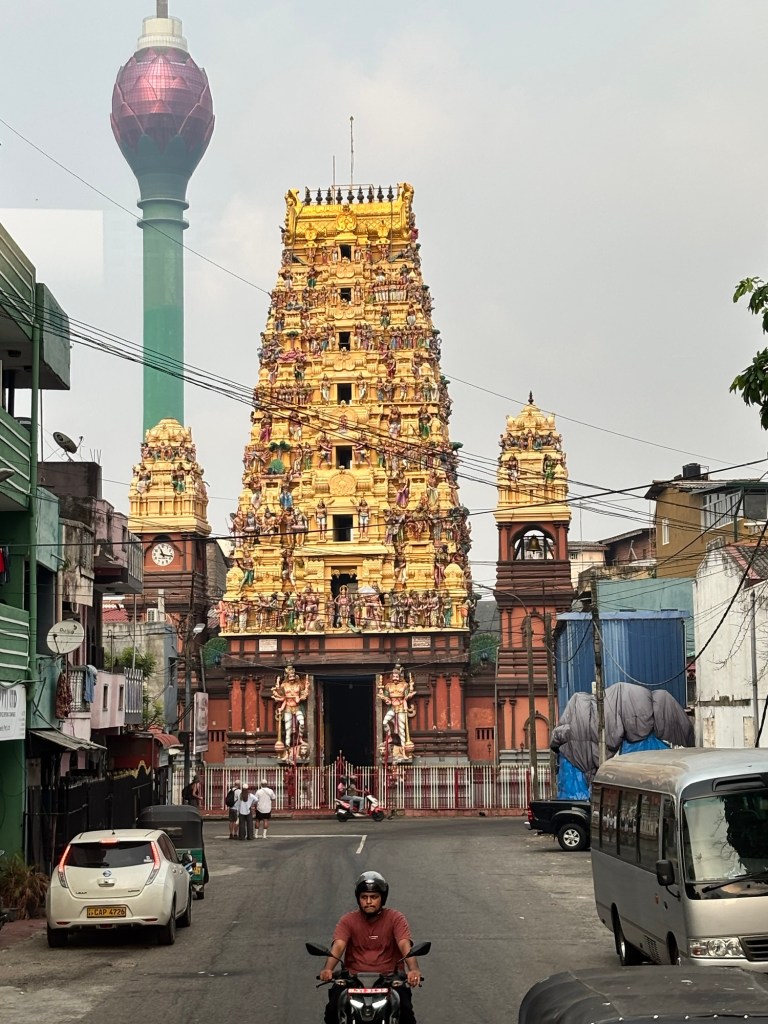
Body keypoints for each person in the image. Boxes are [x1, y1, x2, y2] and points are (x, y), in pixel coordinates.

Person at [319, 871, 422, 1024]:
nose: (368, 901)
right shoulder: (348, 920)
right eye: (364, 897)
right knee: (332, 1011)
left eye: (373, 897)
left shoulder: (395, 919)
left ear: (382, 898)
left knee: (406, 1013)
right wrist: (328, 969)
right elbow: (339, 945)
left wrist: (413, 969)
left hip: (390, 980)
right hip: (352, 980)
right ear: (358, 898)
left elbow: (404, 944)